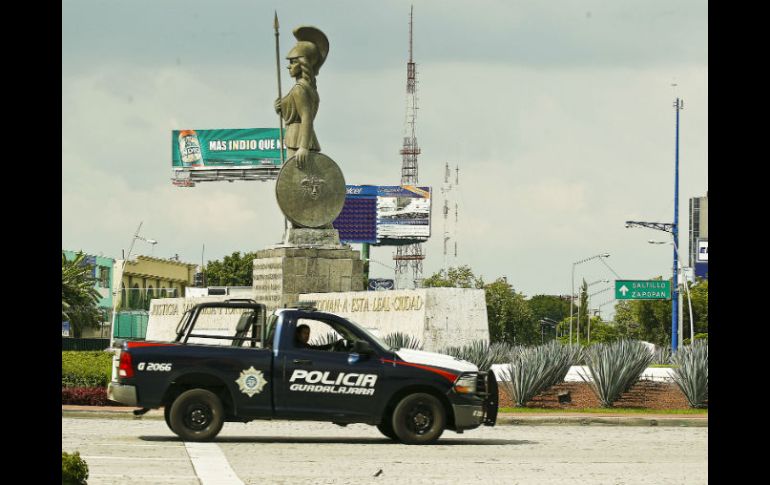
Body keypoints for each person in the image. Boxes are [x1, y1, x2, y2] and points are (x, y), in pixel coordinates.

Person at [274, 26, 329, 170]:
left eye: (293, 62)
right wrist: (281, 107)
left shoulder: (300, 89)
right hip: (297, 138)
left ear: (303, 62)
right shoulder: (307, 88)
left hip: (298, 141)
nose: (289, 66)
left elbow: (306, 117)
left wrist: (303, 147)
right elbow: (296, 113)